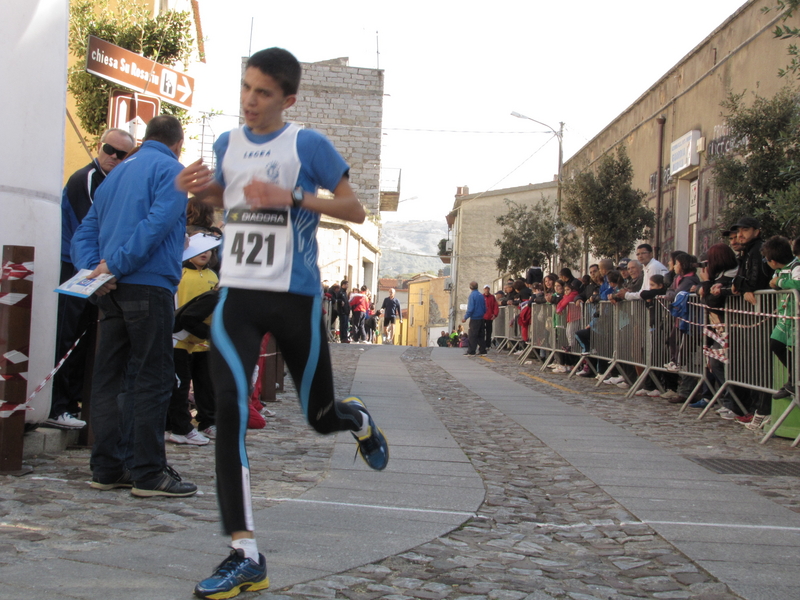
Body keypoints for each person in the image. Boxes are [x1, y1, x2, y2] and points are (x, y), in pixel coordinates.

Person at [176, 48, 389, 599]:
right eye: (246, 88)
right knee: (228, 413)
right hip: (239, 298)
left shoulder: (307, 145)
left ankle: (357, 420)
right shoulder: (227, 143)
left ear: (287, 98)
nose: (250, 100)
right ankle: (244, 553)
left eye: (263, 92)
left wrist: (293, 196)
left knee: (320, 417)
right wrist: (199, 191)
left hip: (295, 299)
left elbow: (354, 209)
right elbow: (229, 200)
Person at [71, 115, 197, 498]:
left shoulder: (117, 174)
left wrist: (98, 270)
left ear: (146, 138)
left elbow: (85, 231)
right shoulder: (173, 172)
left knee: (110, 379)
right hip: (149, 284)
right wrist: (118, 263)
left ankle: (108, 467)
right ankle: (148, 472)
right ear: (178, 143)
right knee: (152, 378)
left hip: (110, 290)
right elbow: (157, 224)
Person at [47, 128, 136, 430]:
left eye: (121, 154)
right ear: (100, 147)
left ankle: (72, 403)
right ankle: (57, 405)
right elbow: (92, 226)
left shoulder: (116, 183)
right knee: (66, 334)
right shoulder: (85, 179)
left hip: (95, 269)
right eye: (109, 149)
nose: (113, 156)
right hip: (73, 264)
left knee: (85, 336)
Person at [166, 248, 219, 445]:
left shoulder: (212, 276)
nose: (205, 254)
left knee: (200, 384)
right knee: (179, 386)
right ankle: (180, 428)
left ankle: (187, 425)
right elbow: (188, 316)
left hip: (192, 343)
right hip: (177, 340)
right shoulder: (182, 274)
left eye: (209, 251)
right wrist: (211, 335)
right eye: (200, 250)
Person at [462, 281, 486, 356]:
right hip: (481, 318)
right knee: (481, 335)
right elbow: (485, 307)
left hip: (475, 318)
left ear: (470, 287)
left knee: (472, 335)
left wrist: (465, 317)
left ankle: (471, 351)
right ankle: (483, 350)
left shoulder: (472, 295)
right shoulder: (481, 295)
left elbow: (471, 308)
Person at [482, 285, 499, 351]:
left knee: (489, 331)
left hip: (489, 317)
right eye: (485, 289)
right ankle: (482, 344)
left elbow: (495, 306)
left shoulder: (492, 297)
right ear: (484, 289)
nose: (487, 290)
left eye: (488, 288)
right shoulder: (482, 297)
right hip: (483, 316)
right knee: (482, 331)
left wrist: (495, 314)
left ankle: (488, 344)